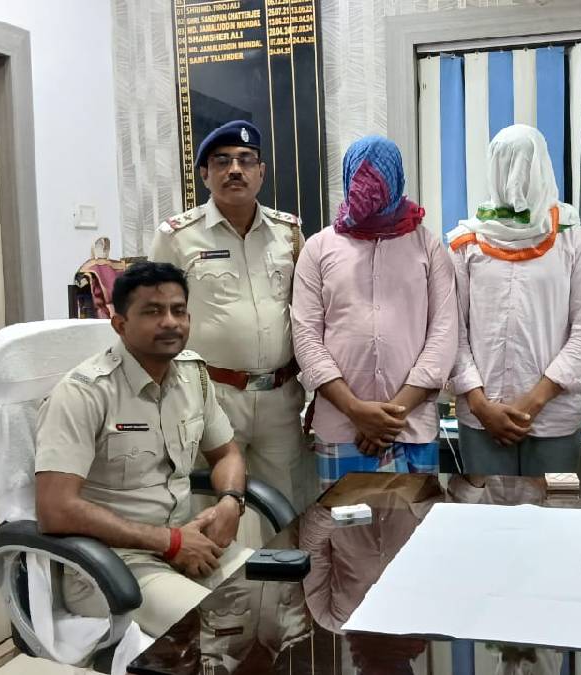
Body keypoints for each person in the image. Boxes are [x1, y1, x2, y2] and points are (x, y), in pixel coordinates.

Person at [34, 262, 249, 637]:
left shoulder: (193, 377)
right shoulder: (83, 393)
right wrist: (168, 542)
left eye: (178, 310)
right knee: (216, 630)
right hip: (112, 565)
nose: (170, 322)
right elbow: (55, 509)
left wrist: (231, 502)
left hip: (190, 544)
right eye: (152, 311)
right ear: (120, 324)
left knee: (278, 597)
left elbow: (227, 454)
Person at [149, 120, 311, 531]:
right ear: (205, 174)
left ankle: (281, 577)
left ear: (262, 171)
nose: (234, 169)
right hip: (211, 397)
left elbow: (309, 313)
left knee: (285, 512)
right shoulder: (177, 237)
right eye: (221, 161)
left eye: (245, 160)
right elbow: (154, 321)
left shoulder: (289, 233)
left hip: (279, 398)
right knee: (213, 511)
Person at [292, 135, 457, 489]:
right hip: (342, 428)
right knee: (342, 523)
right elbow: (306, 338)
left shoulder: (427, 246)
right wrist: (355, 410)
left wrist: (392, 415)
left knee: (415, 524)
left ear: (396, 178)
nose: (370, 188)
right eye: (363, 177)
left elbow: (444, 334)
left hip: (411, 427)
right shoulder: (318, 248)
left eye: (379, 177)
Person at [448, 124, 581, 476]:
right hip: (482, 419)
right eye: (507, 163)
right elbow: (452, 331)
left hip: (554, 418)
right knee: (486, 509)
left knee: (553, 507)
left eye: (526, 163)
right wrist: (480, 404)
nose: (516, 176)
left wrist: (532, 402)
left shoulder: (572, 238)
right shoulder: (467, 242)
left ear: (542, 166)